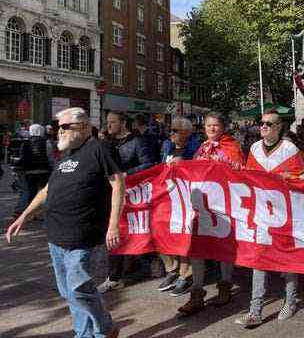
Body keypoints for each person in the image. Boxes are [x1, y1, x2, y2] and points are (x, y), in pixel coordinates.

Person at [6, 107, 125, 338]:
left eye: (64, 127)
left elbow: (118, 184)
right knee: (68, 292)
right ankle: (83, 334)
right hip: (56, 236)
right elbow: (47, 190)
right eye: (58, 127)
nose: (58, 132)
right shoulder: (67, 154)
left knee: (78, 289)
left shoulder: (99, 148)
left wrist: (113, 225)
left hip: (83, 236)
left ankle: (106, 329)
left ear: (83, 126)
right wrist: (24, 215)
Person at [235, 109, 304, 327]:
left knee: (287, 258)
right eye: (262, 123)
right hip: (261, 212)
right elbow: (249, 177)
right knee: (259, 258)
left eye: (269, 123)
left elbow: (301, 178)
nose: (263, 126)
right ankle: (255, 308)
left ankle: (290, 300)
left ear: (279, 127)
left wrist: (288, 177)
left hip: (285, 212)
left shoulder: (290, 149)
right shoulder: (255, 148)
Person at [178, 112, 244, 316]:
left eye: (215, 125)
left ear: (222, 127)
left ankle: (225, 286)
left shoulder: (231, 146)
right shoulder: (202, 147)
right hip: (202, 206)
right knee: (197, 249)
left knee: (223, 247)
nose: (212, 129)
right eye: (208, 125)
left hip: (224, 205)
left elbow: (239, 171)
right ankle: (196, 293)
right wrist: (180, 165)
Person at [98, 112, 156, 293]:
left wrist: (127, 174)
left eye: (112, 122)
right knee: (115, 232)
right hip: (110, 194)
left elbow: (148, 163)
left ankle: (148, 261)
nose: (108, 126)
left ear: (123, 123)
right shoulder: (106, 142)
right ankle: (115, 275)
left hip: (132, 195)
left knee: (135, 230)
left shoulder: (137, 142)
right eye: (107, 122)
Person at [157, 116, 201, 296]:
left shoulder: (195, 148)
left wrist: (183, 164)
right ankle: (172, 268)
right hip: (168, 194)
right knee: (158, 229)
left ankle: (186, 273)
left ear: (186, 132)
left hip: (187, 197)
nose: (171, 133)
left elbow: (198, 169)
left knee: (183, 232)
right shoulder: (167, 146)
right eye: (171, 129)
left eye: (175, 130)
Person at [13, 124, 51, 218]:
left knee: (32, 192)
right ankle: (43, 212)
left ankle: (31, 213)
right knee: (44, 192)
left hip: (30, 171)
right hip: (44, 171)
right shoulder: (46, 142)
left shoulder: (25, 143)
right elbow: (50, 157)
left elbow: (22, 158)